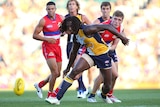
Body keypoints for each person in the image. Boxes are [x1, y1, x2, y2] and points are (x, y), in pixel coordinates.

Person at [46, 16, 129, 105]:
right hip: (90, 55)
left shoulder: (87, 29)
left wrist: (122, 38)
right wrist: (68, 68)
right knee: (74, 72)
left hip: (103, 55)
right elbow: (73, 53)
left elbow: (108, 27)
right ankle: (56, 98)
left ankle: (104, 95)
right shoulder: (75, 36)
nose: (67, 30)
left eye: (69, 27)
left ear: (75, 25)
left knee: (107, 86)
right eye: (67, 27)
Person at [87, 9, 125, 103]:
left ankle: (107, 94)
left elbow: (115, 44)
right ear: (112, 19)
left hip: (109, 50)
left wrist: (111, 48)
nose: (116, 22)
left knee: (115, 75)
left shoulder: (121, 28)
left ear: (122, 21)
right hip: (100, 50)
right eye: (115, 19)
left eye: (119, 20)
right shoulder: (104, 26)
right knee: (104, 75)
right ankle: (92, 95)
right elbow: (93, 36)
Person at [32, 1, 64, 101]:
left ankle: (40, 84)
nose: (51, 11)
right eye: (49, 9)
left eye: (52, 9)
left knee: (58, 73)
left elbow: (64, 29)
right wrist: (47, 39)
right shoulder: (43, 21)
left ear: (55, 9)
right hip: (48, 47)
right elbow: (35, 35)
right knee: (54, 72)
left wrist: (62, 33)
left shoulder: (61, 18)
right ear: (46, 10)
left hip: (57, 47)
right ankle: (50, 94)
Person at [65, 0, 92, 98]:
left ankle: (81, 88)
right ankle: (82, 87)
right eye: (70, 5)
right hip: (70, 44)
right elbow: (62, 31)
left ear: (77, 7)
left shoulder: (82, 17)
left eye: (73, 4)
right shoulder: (66, 18)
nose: (71, 6)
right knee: (73, 67)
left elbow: (91, 26)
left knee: (77, 65)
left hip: (80, 44)